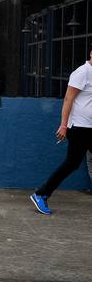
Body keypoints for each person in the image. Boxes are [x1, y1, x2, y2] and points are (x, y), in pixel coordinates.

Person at [30, 48, 92, 214]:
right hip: (79, 128)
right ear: (91, 53)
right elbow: (68, 99)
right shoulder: (82, 72)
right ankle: (41, 194)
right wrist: (63, 125)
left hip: (90, 127)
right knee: (71, 164)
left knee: (72, 164)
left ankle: (42, 193)